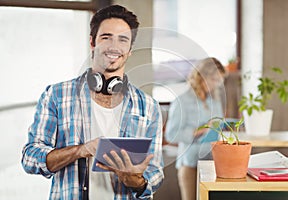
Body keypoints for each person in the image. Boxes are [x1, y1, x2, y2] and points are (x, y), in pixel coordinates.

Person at [21, 5, 164, 200]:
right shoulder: (57, 95)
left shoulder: (148, 106)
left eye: (123, 39)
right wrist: (81, 150)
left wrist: (134, 180)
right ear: (92, 42)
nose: (114, 46)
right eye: (106, 37)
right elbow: (30, 158)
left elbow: (155, 173)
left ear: (130, 49)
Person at [165, 57, 226, 200]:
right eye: (214, 80)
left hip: (212, 163)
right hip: (190, 163)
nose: (216, 85)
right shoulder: (182, 101)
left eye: (219, 81)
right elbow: (171, 135)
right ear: (202, 76)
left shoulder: (214, 100)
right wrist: (200, 130)